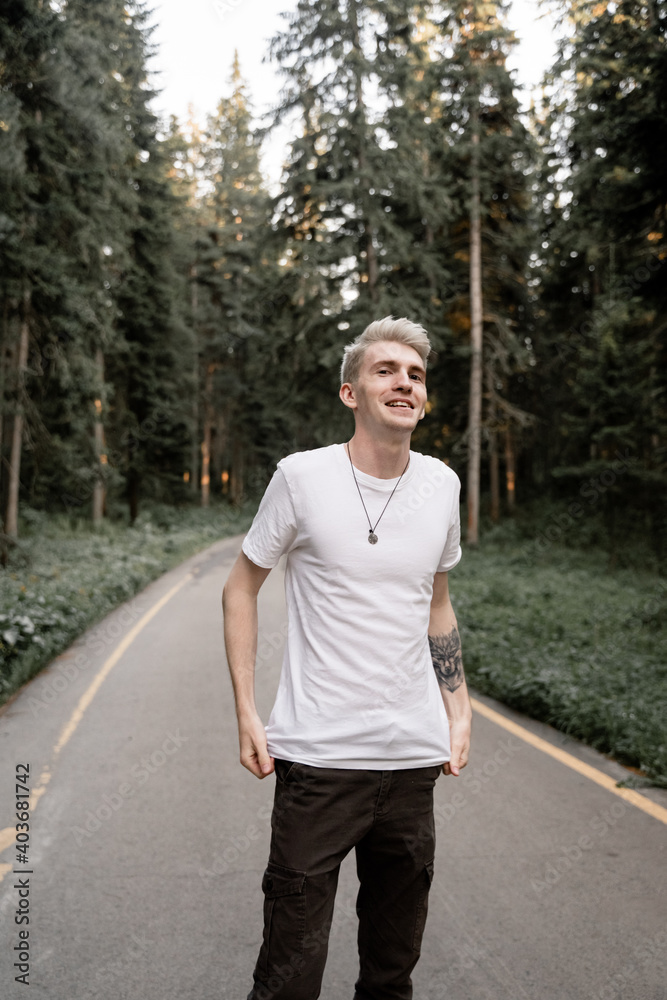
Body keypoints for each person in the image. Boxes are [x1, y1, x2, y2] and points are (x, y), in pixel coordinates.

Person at [222, 315, 472, 1000]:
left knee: (391, 975)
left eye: (416, 375)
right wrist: (247, 709)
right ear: (349, 392)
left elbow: (436, 603)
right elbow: (240, 586)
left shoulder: (441, 485)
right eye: (386, 370)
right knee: (287, 978)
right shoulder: (301, 478)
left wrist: (459, 706)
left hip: (412, 765)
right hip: (318, 763)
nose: (404, 383)